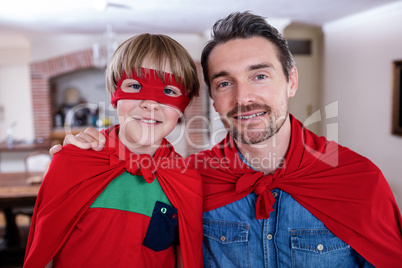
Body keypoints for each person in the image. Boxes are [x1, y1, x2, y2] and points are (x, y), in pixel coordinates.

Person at [50, 12, 402, 267]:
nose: (243, 97)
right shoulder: (190, 178)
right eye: (224, 82)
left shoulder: (358, 181)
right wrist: (93, 153)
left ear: (291, 80)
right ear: (211, 98)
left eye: (259, 75)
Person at [24, 33, 203, 268]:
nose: (150, 103)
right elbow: (42, 253)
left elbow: (185, 260)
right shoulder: (72, 162)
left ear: (184, 105)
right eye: (135, 86)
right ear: (113, 95)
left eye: (169, 91)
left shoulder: (186, 181)